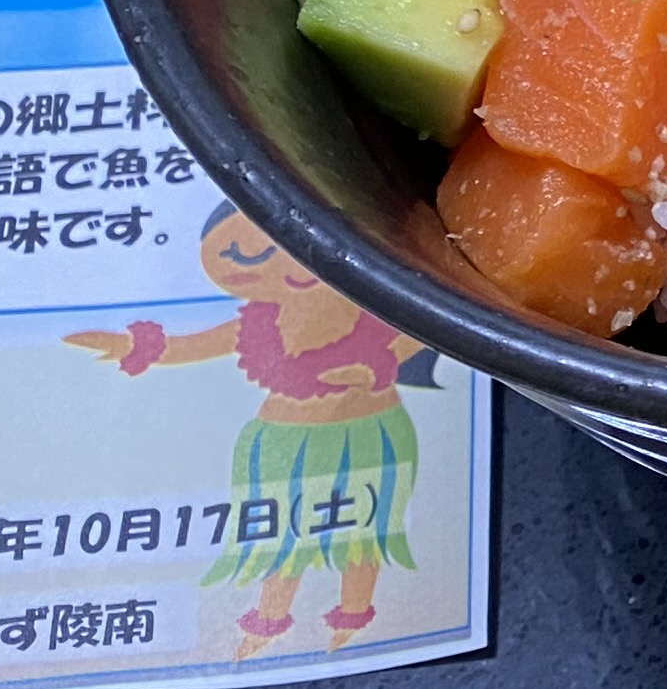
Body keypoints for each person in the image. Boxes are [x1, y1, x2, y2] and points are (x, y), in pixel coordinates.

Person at [68, 204, 422, 656]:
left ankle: (353, 616)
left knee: (365, 530)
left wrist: (371, 369)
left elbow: (417, 332)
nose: (288, 264)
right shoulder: (257, 324)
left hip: (368, 430)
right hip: (281, 439)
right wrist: (130, 346)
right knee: (281, 533)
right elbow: (193, 344)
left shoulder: (372, 299)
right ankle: (268, 621)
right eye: (251, 258)